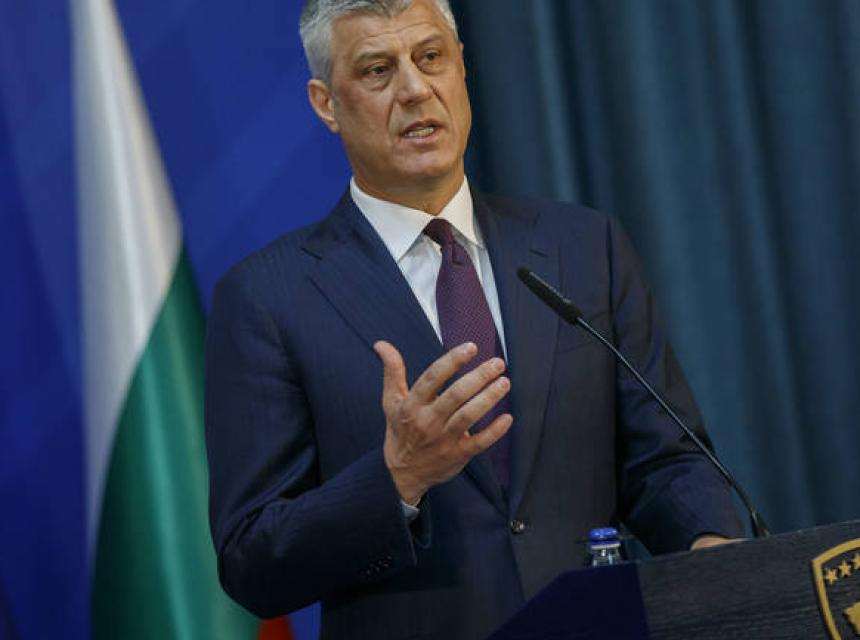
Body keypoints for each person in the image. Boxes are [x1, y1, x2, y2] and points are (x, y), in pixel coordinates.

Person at [204, 1, 743, 638]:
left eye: (430, 57)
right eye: (377, 70)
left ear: (461, 67)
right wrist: (397, 478)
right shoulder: (268, 297)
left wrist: (711, 546)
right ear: (326, 105)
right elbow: (253, 561)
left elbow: (667, 459)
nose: (414, 89)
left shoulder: (581, 247)